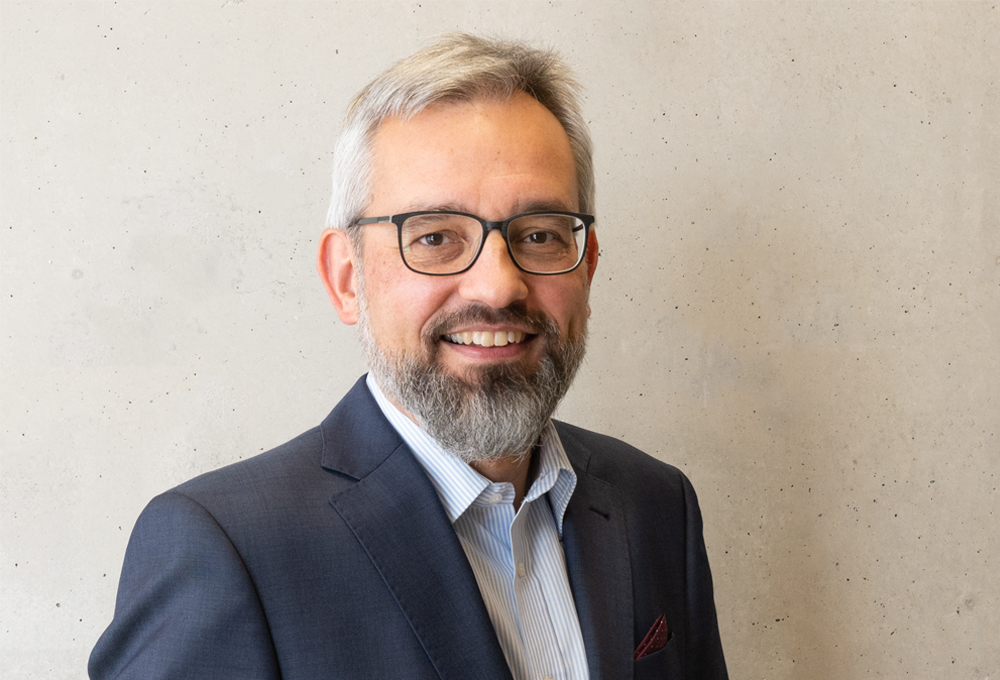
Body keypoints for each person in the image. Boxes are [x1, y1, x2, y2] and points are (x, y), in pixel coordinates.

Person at [89, 34, 728, 680]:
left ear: (587, 266)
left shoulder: (655, 507)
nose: (497, 285)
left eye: (538, 235)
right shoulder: (227, 551)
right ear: (346, 279)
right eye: (436, 237)